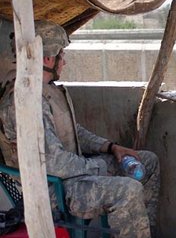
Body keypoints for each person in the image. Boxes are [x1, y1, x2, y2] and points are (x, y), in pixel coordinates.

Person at [0, 20, 159, 238]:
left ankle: (142, 231)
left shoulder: (47, 91)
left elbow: (74, 131)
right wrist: (97, 166)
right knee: (127, 190)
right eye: (61, 56)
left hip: (72, 175)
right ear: (48, 58)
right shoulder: (25, 101)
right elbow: (54, 164)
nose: (63, 62)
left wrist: (111, 147)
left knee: (147, 161)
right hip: (52, 190)